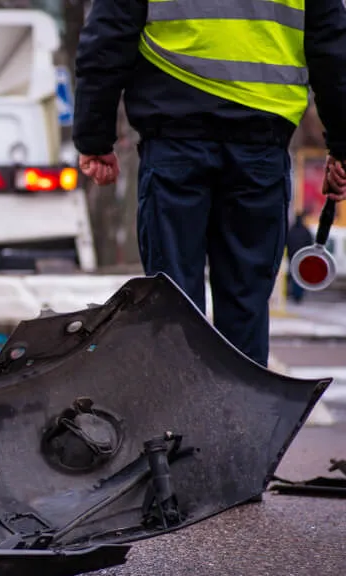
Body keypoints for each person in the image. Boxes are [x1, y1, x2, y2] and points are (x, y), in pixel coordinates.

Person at [72, 0, 346, 368]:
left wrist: (94, 137)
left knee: (173, 306)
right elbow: (332, 50)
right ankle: (243, 403)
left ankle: (179, 404)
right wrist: (341, 145)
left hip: (175, 143)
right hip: (260, 148)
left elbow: (107, 39)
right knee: (245, 307)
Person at [286, 213, 316, 304]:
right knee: (301, 276)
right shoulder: (305, 231)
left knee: (294, 276)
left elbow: (287, 243)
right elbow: (310, 244)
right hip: (303, 258)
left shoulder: (292, 230)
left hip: (292, 257)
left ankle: (295, 295)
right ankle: (299, 295)